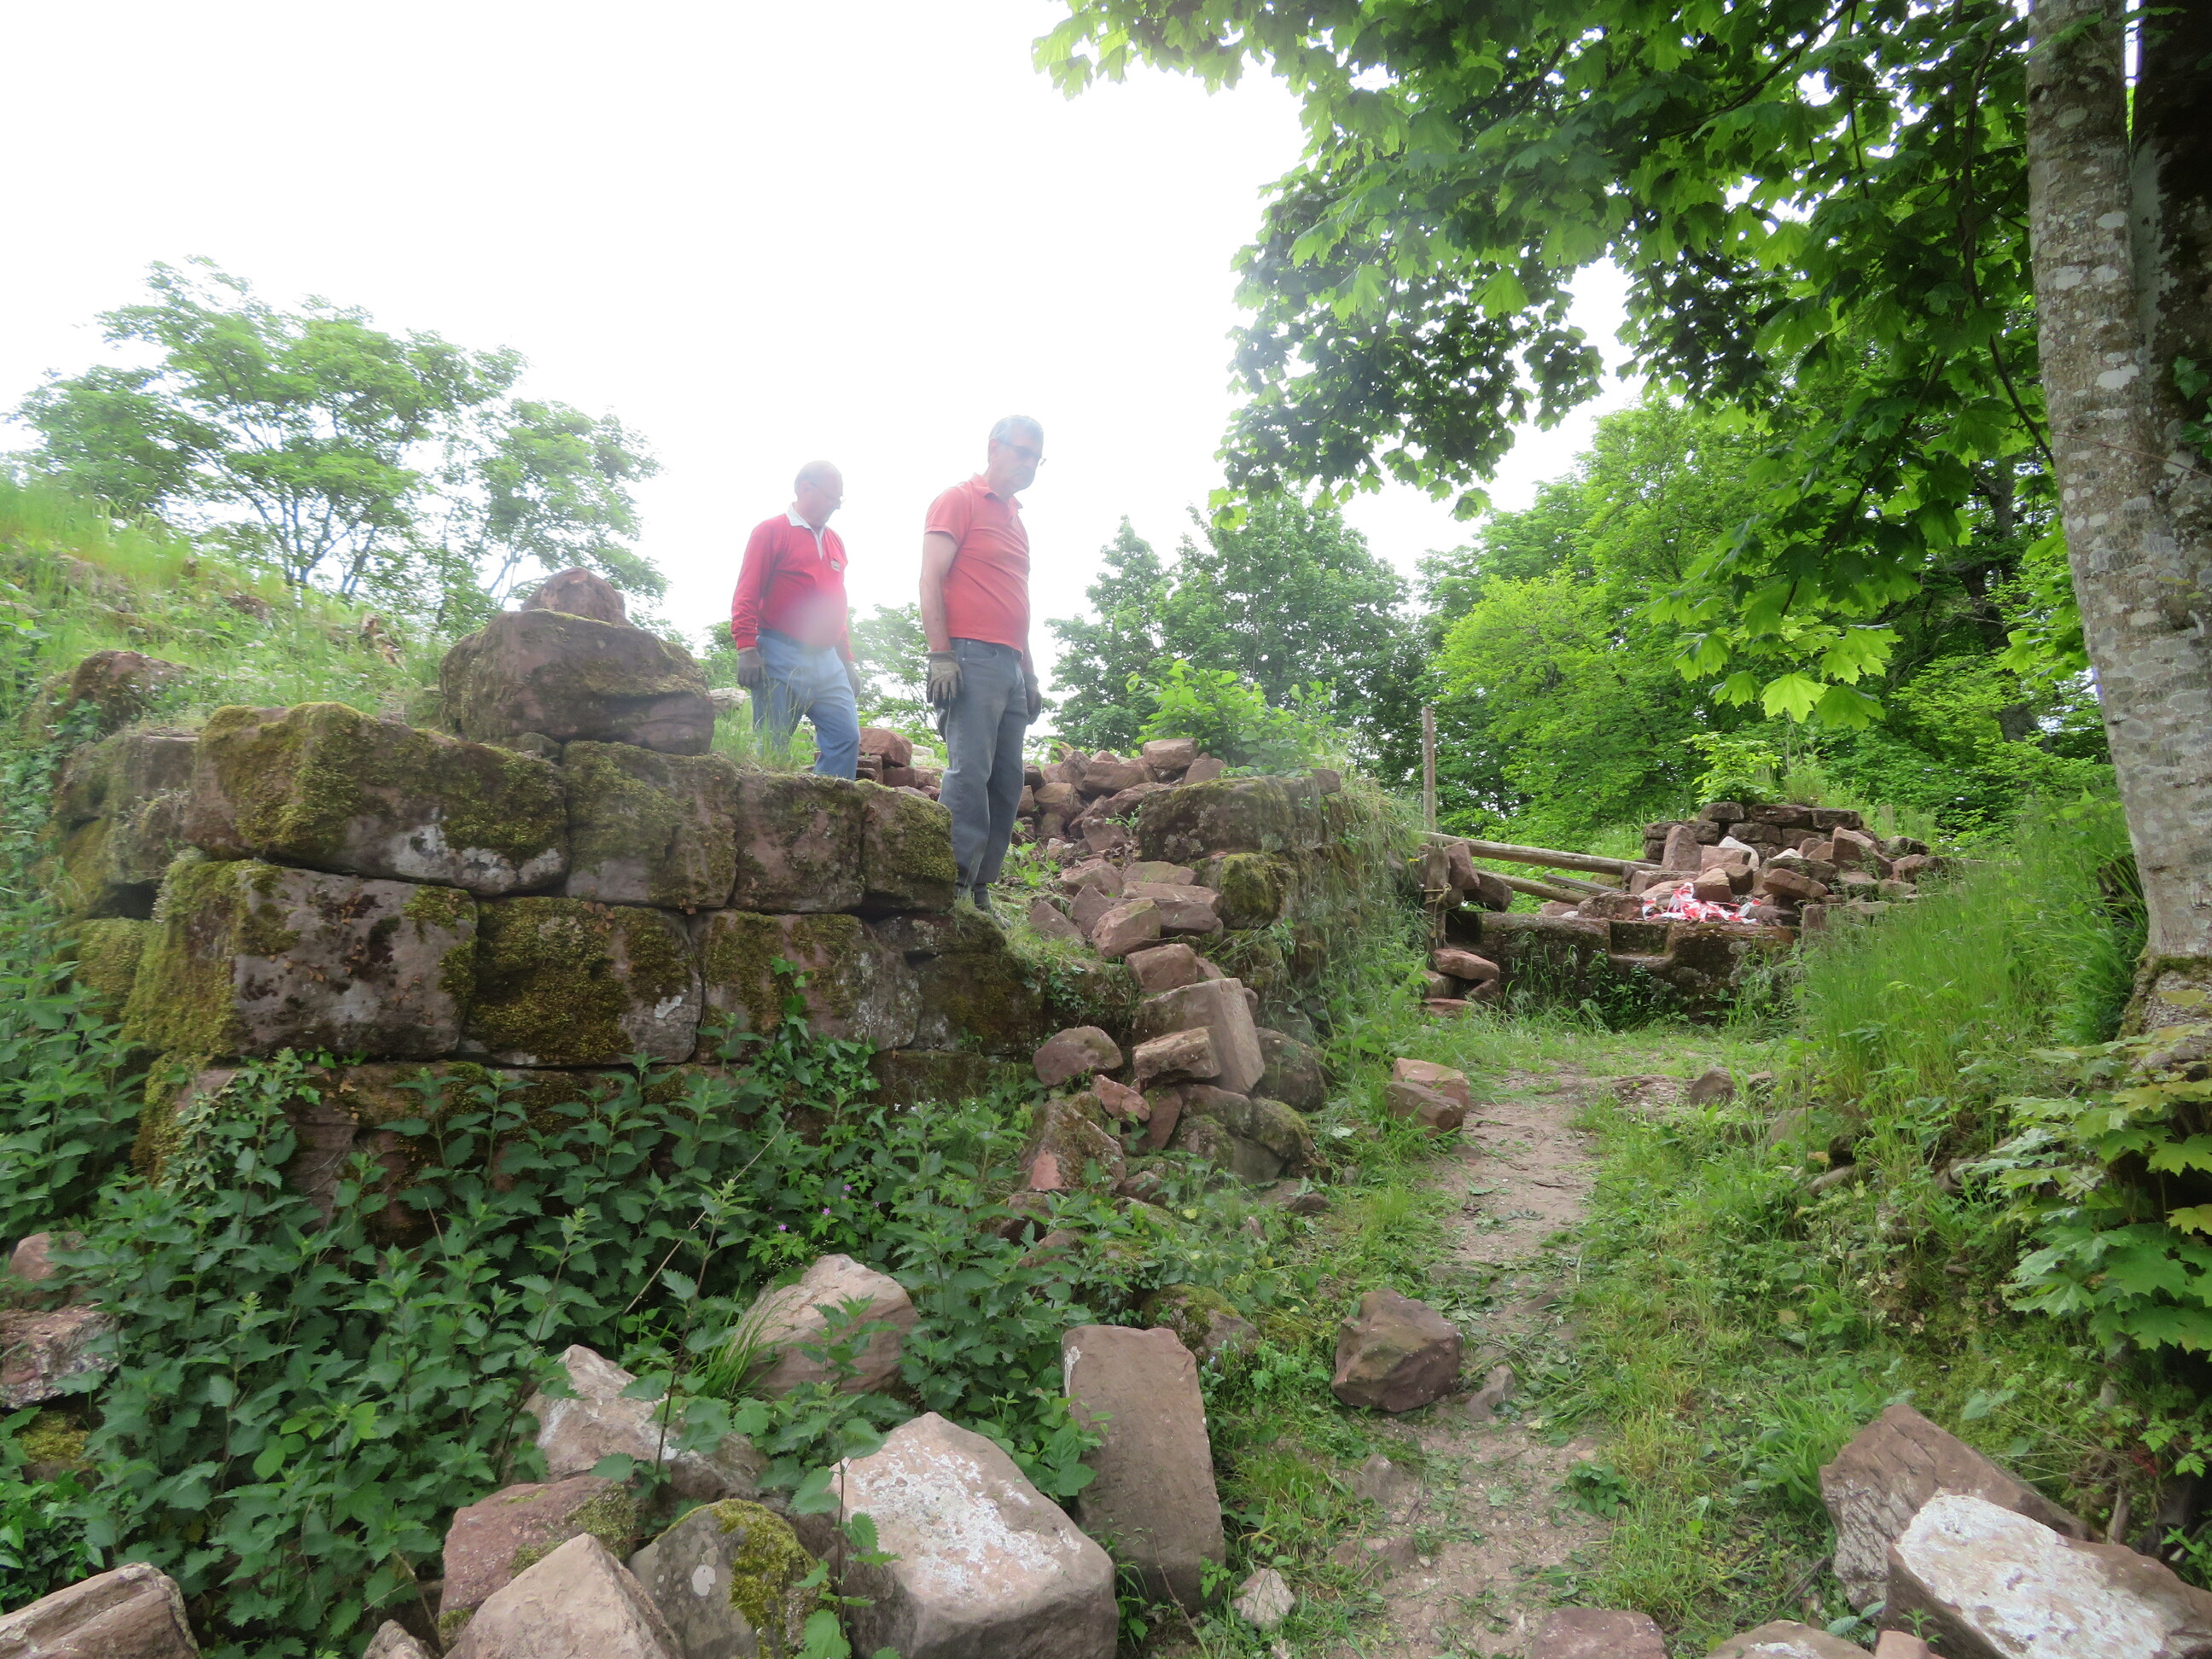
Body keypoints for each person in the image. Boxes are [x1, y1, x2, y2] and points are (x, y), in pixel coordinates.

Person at [919, 416, 1045, 912]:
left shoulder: (1018, 521)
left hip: (1011, 665)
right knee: (969, 772)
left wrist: (1029, 673)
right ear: (994, 448)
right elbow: (930, 578)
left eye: (1037, 458)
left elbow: (1018, 604)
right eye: (1022, 452)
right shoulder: (959, 499)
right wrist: (940, 655)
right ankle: (949, 884)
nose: (1029, 464)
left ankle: (979, 888)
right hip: (970, 657)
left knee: (1006, 780)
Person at [730, 460, 864, 778]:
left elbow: (836, 603)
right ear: (805, 488)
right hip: (780, 653)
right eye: (831, 497)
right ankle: (767, 810)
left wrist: (847, 660)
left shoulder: (835, 541)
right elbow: (747, 592)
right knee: (772, 747)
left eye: (839, 499)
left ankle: (829, 807)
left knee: (846, 737)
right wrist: (746, 647)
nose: (836, 506)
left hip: (828, 660)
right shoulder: (771, 531)